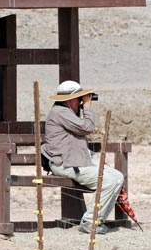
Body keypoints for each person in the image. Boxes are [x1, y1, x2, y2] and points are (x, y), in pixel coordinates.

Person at [41, 80, 124, 234]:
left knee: (117, 177)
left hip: (76, 161)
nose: (81, 100)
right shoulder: (60, 112)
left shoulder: (66, 112)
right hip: (66, 163)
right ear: (70, 99)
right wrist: (87, 107)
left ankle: (97, 219)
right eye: (79, 97)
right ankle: (90, 221)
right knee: (108, 181)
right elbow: (87, 127)